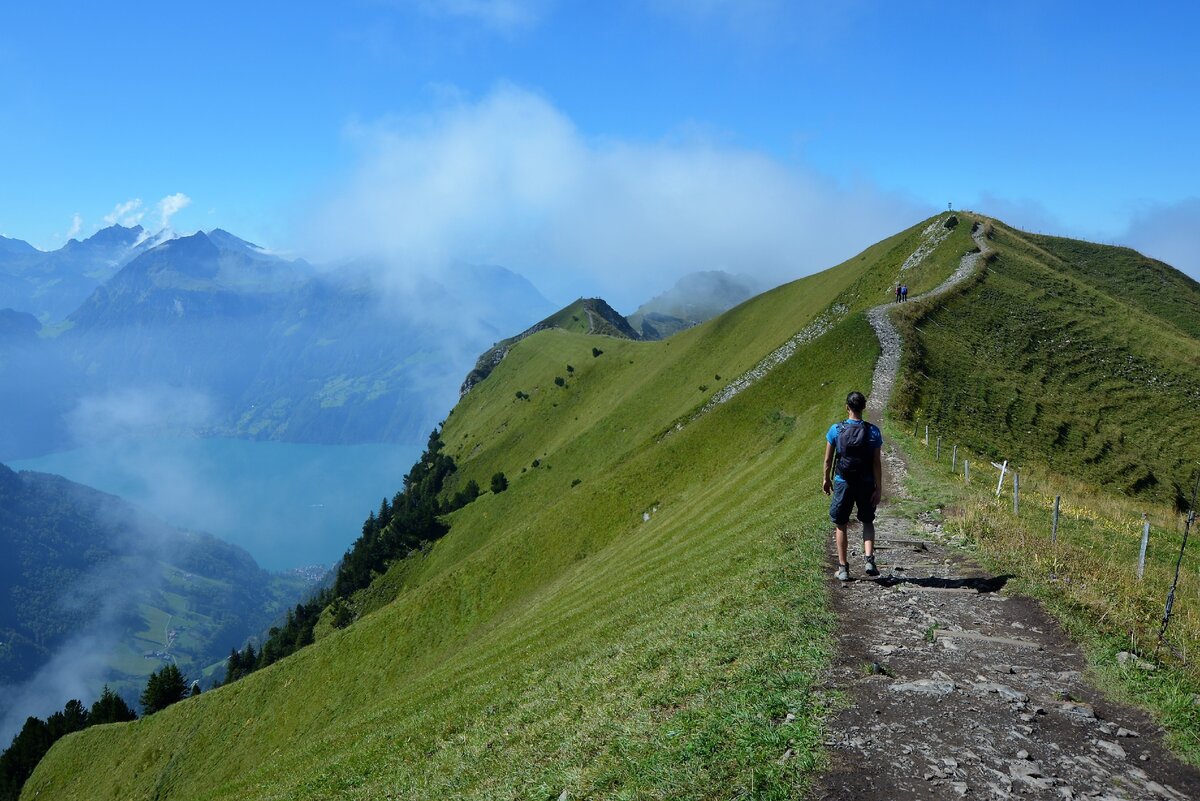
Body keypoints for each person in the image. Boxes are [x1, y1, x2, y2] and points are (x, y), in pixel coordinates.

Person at [822, 391, 883, 581]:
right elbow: (876, 463)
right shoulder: (873, 431)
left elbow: (828, 460)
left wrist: (826, 478)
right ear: (864, 407)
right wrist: (878, 487)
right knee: (867, 521)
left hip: (843, 482)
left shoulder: (836, 430)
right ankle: (869, 559)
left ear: (847, 407)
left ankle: (843, 568)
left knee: (841, 524)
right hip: (865, 483)